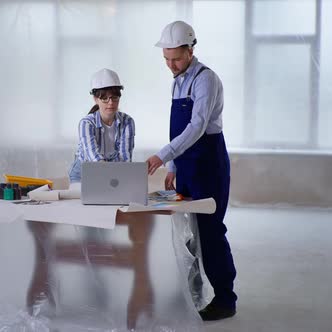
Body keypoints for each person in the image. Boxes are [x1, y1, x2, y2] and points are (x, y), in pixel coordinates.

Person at [145, 21, 237, 321]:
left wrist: (163, 156)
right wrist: (173, 165)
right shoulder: (177, 81)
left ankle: (225, 298)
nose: (171, 65)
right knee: (187, 234)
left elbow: (196, 127)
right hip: (186, 165)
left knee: (210, 232)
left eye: (177, 59)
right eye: (166, 59)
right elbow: (177, 128)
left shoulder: (205, 79)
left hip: (208, 164)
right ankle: (193, 295)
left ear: (191, 50)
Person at [68, 68, 135, 183]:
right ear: (95, 99)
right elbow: (94, 159)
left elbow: (125, 159)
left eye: (114, 97)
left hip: (109, 170)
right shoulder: (86, 123)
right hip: (83, 173)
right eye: (104, 98)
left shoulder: (127, 122)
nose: (111, 103)